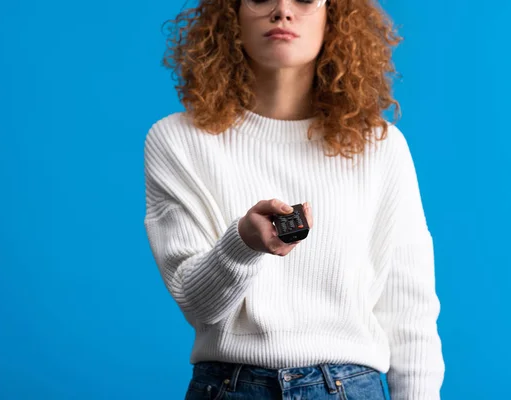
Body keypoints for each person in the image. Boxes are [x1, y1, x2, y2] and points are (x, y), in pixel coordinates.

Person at [143, 0, 445, 398]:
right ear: (230, 13)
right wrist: (242, 246)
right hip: (230, 387)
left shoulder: (380, 147)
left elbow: (410, 316)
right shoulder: (177, 141)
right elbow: (198, 308)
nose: (283, 10)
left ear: (333, 15)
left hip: (350, 386)